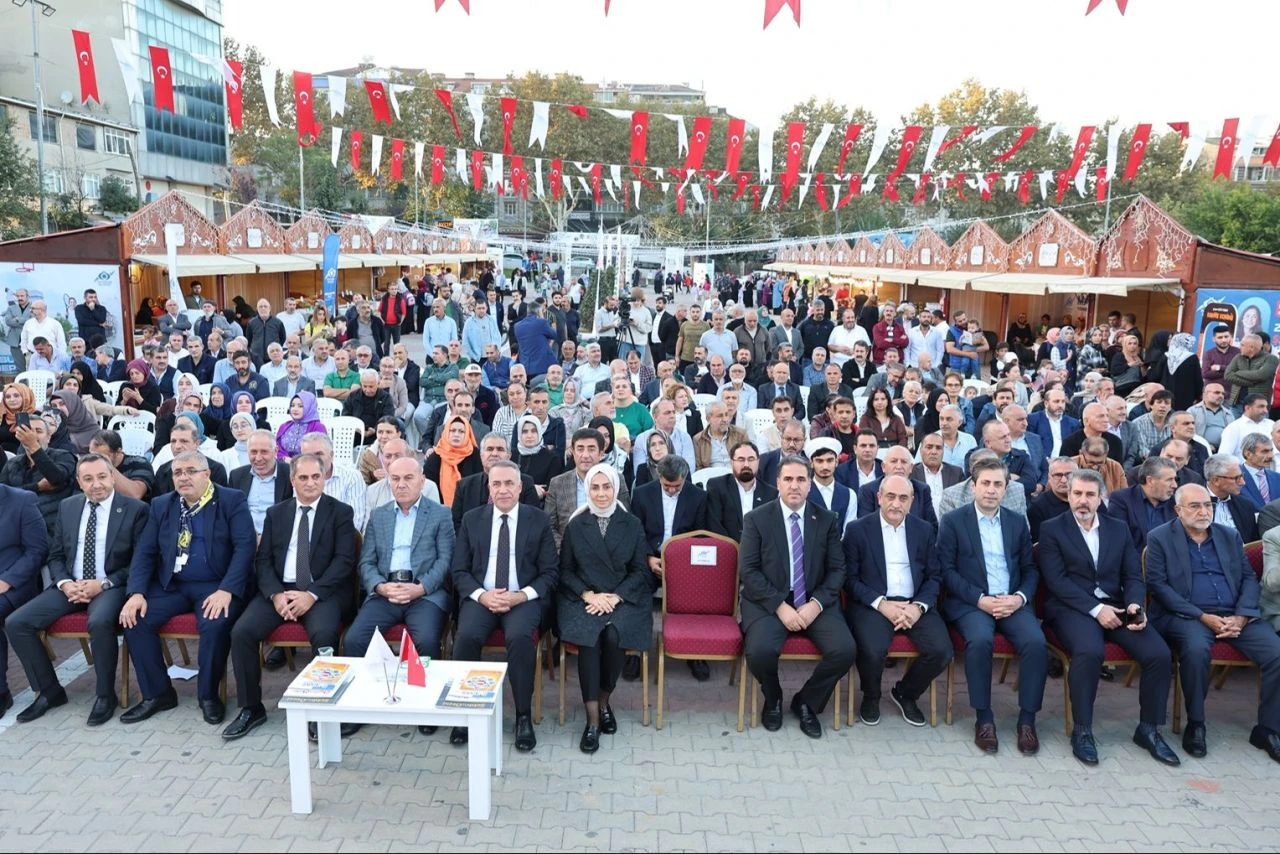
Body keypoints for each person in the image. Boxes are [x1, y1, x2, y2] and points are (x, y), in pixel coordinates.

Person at [1038, 469, 1178, 766]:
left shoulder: (1118, 528)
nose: (1082, 501)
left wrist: (1134, 605)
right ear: (1069, 495)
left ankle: (1149, 729)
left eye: (1090, 494)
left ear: (1101, 497)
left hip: (1116, 605)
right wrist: (1095, 609)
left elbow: (1132, 574)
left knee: (1158, 654)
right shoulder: (1052, 529)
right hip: (1071, 608)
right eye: (1077, 494)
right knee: (1089, 652)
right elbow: (1057, 581)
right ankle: (1083, 730)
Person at [222, 454, 357, 740]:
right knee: (242, 632)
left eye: (316, 477)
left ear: (324, 479)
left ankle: (322, 711)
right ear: (292, 480)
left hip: (322, 591)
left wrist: (311, 595)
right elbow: (264, 560)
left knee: (324, 636)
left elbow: (344, 562)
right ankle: (251, 708)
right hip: (280, 589)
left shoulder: (341, 513)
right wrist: (274, 595)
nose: (310, 483)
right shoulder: (277, 513)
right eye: (303, 477)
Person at [1146, 484, 1280, 763]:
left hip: (1235, 615)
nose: (1204, 511)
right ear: (1178, 510)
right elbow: (1158, 587)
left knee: (1276, 653)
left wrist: (1242, 616)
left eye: (1208, 505)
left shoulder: (1229, 536)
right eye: (1195, 506)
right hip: (1188, 616)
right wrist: (1202, 616)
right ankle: (1196, 724)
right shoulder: (1160, 537)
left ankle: (1267, 728)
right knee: (1195, 652)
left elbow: (1247, 578)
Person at [118, 451, 255, 725]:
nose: (183, 477)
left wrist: (227, 589)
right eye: (178, 473)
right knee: (135, 620)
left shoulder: (231, 500)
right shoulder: (161, 505)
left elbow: (245, 547)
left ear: (207, 474)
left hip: (216, 585)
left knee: (214, 624)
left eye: (190, 471)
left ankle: (208, 695)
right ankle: (158, 694)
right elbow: (145, 552)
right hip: (173, 585)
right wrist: (136, 593)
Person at [937, 456, 1048, 755]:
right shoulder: (953, 521)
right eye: (985, 483)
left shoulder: (1015, 522)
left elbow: (1029, 568)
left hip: (1011, 600)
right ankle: (984, 718)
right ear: (973, 486)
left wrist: (1019, 598)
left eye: (998, 484)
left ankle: (1027, 721)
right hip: (971, 602)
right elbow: (946, 571)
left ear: (1006, 488)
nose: (991, 490)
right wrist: (979, 599)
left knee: (1036, 643)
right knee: (980, 641)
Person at [738, 454, 853, 739]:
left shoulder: (826, 519)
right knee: (760, 652)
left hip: (814, 601)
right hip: (768, 601)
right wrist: (780, 606)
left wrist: (816, 605)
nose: (794, 485)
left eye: (801, 479)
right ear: (777, 483)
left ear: (810, 484)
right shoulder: (756, 519)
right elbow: (748, 571)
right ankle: (773, 697)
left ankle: (806, 702)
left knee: (844, 650)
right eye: (788, 479)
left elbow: (838, 570)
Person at [451, 461, 558, 751]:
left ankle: (522, 715)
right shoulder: (473, 520)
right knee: (466, 637)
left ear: (520, 487)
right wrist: (482, 596)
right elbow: (459, 571)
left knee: (520, 638)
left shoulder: (537, 520)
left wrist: (520, 596)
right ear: (489, 488)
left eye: (509, 483)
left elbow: (550, 572)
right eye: (496, 484)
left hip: (521, 597)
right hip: (482, 596)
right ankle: (465, 713)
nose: (503, 490)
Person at [343, 458, 454, 737]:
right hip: (386, 592)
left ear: (422, 481)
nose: (401, 484)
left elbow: (446, 560)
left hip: (424, 594)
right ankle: (360, 705)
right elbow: (366, 563)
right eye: (395, 479)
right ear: (388, 481)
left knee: (427, 640)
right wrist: (380, 586)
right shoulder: (379, 515)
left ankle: (426, 706)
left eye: (408, 478)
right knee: (355, 639)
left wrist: (421, 587)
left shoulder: (440, 514)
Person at [556, 463, 652, 753]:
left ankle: (605, 699)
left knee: (613, 637)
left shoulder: (631, 524)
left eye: (606, 487)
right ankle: (593, 719)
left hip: (623, 599)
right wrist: (588, 594)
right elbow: (565, 571)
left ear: (615, 488)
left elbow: (640, 572)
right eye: (594, 488)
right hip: (582, 599)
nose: (600, 493)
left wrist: (615, 596)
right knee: (590, 638)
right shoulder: (576, 524)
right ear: (587, 490)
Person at [843, 475, 952, 727]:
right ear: (879, 498)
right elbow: (849, 578)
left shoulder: (923, 530)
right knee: (872, 650)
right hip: (873, 605)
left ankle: (905, 693)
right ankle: (871, 696)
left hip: (914, 603)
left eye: (903, 498)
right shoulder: (858, 529)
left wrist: (918, 607)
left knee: (941, 651)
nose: (896, 503)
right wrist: (882, 604)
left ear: (912, 502)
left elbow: (935, 576)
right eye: (890, 496)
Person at [0, 482, 49, 714]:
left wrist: (7, 581)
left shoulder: (21, 500)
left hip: (15, 584)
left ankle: (1, 692)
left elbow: (37, 551)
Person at [230, 430, 294, 536]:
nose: (258, 458)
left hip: (278, 537)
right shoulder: (237, 476)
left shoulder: (290, 474)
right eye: (253, 452)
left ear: (276, 451)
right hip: (245, 537)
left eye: (264, 452)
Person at [424, 416, 482, 508]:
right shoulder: (435, 457)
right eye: (452, 430)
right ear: (446, 432)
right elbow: (428, 488)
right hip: (439, 509)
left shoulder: (475, 455)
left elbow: (480, 486)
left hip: (470, 509)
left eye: (461, 431)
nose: (456, 434)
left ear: (467, 434)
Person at [1027, 457, 1077, 542]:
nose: (1064, 480)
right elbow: (1038, 545)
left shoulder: (1089, 500)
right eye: (1058, 475)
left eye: (1069, 475)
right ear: (1049, 478)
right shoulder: (1037, 507)